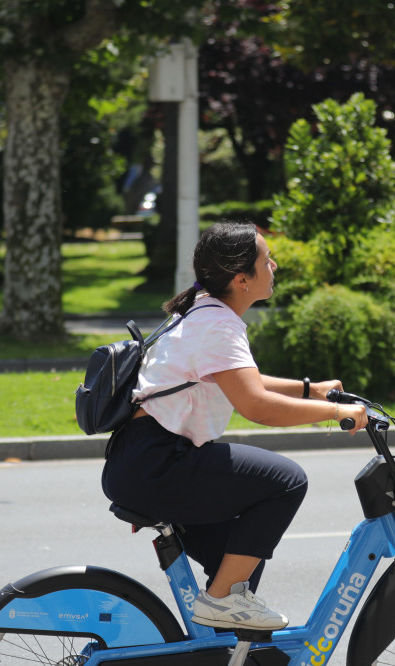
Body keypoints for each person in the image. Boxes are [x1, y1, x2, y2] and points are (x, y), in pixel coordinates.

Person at [100, 221, 368, 631]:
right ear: (242, 279)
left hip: (141, 461)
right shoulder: (217, 324)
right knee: (286, 481)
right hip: (157, 462)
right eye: (266, 261)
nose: (274, 265)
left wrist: (312, 389)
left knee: (241, 558)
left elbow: (241, 379)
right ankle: (221, 601)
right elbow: (255, 405)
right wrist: (336, 413)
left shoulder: (205, 311)